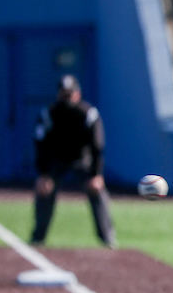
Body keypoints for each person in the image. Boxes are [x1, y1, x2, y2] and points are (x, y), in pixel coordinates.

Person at [30, 75, 115, 248]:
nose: (67, 98)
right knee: (44, 191)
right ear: (58, 94)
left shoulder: (88, 114)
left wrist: (96, 174)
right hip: (56, 160)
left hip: (82, 160)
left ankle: (107, 237)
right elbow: (40, 144)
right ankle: (38, 237)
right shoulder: (49, 113)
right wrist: (43, 174)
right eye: (63, 94)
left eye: (70, 94)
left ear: (78, 93)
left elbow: (97, 145)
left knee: (98, 192)